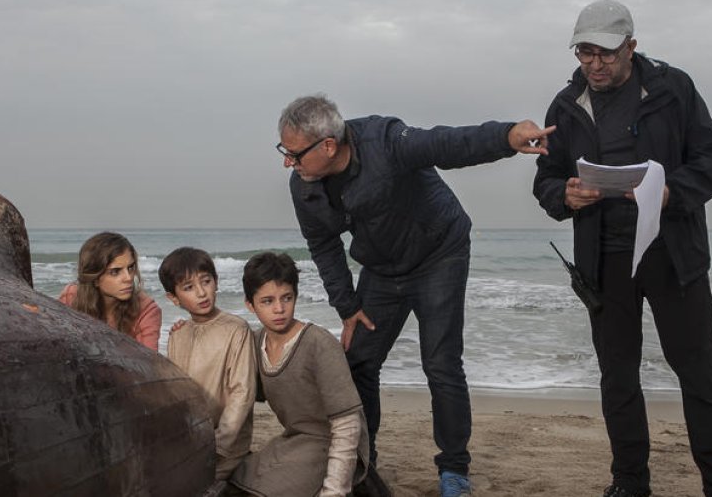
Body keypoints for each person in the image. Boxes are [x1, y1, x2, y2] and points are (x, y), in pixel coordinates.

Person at [276, 94, 553, 497]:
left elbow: (448, 144)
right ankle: (361, 461)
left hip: (439, 252)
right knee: (358, 362)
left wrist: (506, 136)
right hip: (383, 268)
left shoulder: (386, 141)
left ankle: (454, 470)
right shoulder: (304, 187)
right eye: (285, 152)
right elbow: (323, 245)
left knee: (440, 363)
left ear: (329, 146)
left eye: (295, 154)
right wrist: (348, 306)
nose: (289, 162)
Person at [533, 0, 712, 497]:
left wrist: (673, 191)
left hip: (673, 255)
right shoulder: (565, 105)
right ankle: (629, 483)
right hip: (603, 263)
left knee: (700, 377)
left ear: (631, 46)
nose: (595, 64)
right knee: (618, 379)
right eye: (585, 53)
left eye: (606, 53)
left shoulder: (674, 89)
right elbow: (546, 178)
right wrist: (563, 195)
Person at [228, 252, 370, 497]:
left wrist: (334, 490)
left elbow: (347, 425)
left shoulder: (319, 343)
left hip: (331, 442)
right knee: (234, 481)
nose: (279, 309)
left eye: (287, 298)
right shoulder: (255, 342)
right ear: (250, 305)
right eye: (267, 301)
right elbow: (233, 389)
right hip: (294, 440)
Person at [158, 246, 256, 481]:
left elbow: (242, 393)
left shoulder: (236, 329)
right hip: (191, 440)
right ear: (173, 298)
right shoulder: (178, 334)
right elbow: (176, 393)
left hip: (226, 446)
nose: (202, 293)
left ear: (216, 282)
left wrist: (220, 445)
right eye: (188, 287)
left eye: (206, 281)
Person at [58, 231, 162, 351]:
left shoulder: (146, 310)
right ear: (95, 278)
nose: (128, 278)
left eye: (131, 267)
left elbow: (148, 364)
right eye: (115, 272)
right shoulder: (71, 297)